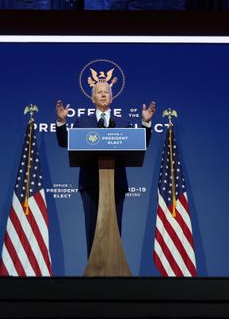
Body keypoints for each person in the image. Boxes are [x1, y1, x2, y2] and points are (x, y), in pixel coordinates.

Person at [55, 81, 155, 255]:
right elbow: (65, 142)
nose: (103, 95)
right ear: (93, 98)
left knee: (114, 232)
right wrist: (62, 121)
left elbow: (141, 143)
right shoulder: (83, 122)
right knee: (93, 232)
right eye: (99, 92)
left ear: (112, 97)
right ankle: (94, 277)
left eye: (106, 92)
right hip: (90, 184)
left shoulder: (123, 122)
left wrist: (145, 124)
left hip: (116, 184)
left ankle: (114, 275)